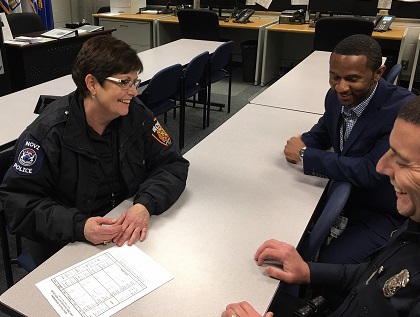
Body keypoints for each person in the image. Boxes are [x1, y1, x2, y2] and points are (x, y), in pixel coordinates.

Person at [223, 95, 420, 317]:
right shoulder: (413, 225)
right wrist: (308, 271)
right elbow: (375, 274)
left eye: (402, 161)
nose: (382, 167)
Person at [0, 35, 189, 266]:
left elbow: (172, 164)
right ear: (92, 84)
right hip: (67, 243)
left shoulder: (135, 115)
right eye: (123, 82)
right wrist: (79, 226)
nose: (134, 92)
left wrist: (145, 204)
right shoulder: (48, 133)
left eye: (134, 82)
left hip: (122, 229)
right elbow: (18, 203)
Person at [284, 34, 415, 264]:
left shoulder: (400, 111)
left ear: (378, 73)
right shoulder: (335, 96)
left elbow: (370, 171)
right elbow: (325, 128)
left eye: (353, 79)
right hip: (344, 194)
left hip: (381, 210)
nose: (341, 87)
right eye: (335, 77)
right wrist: (306, 141)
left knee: (328, 262)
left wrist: (306, 154)